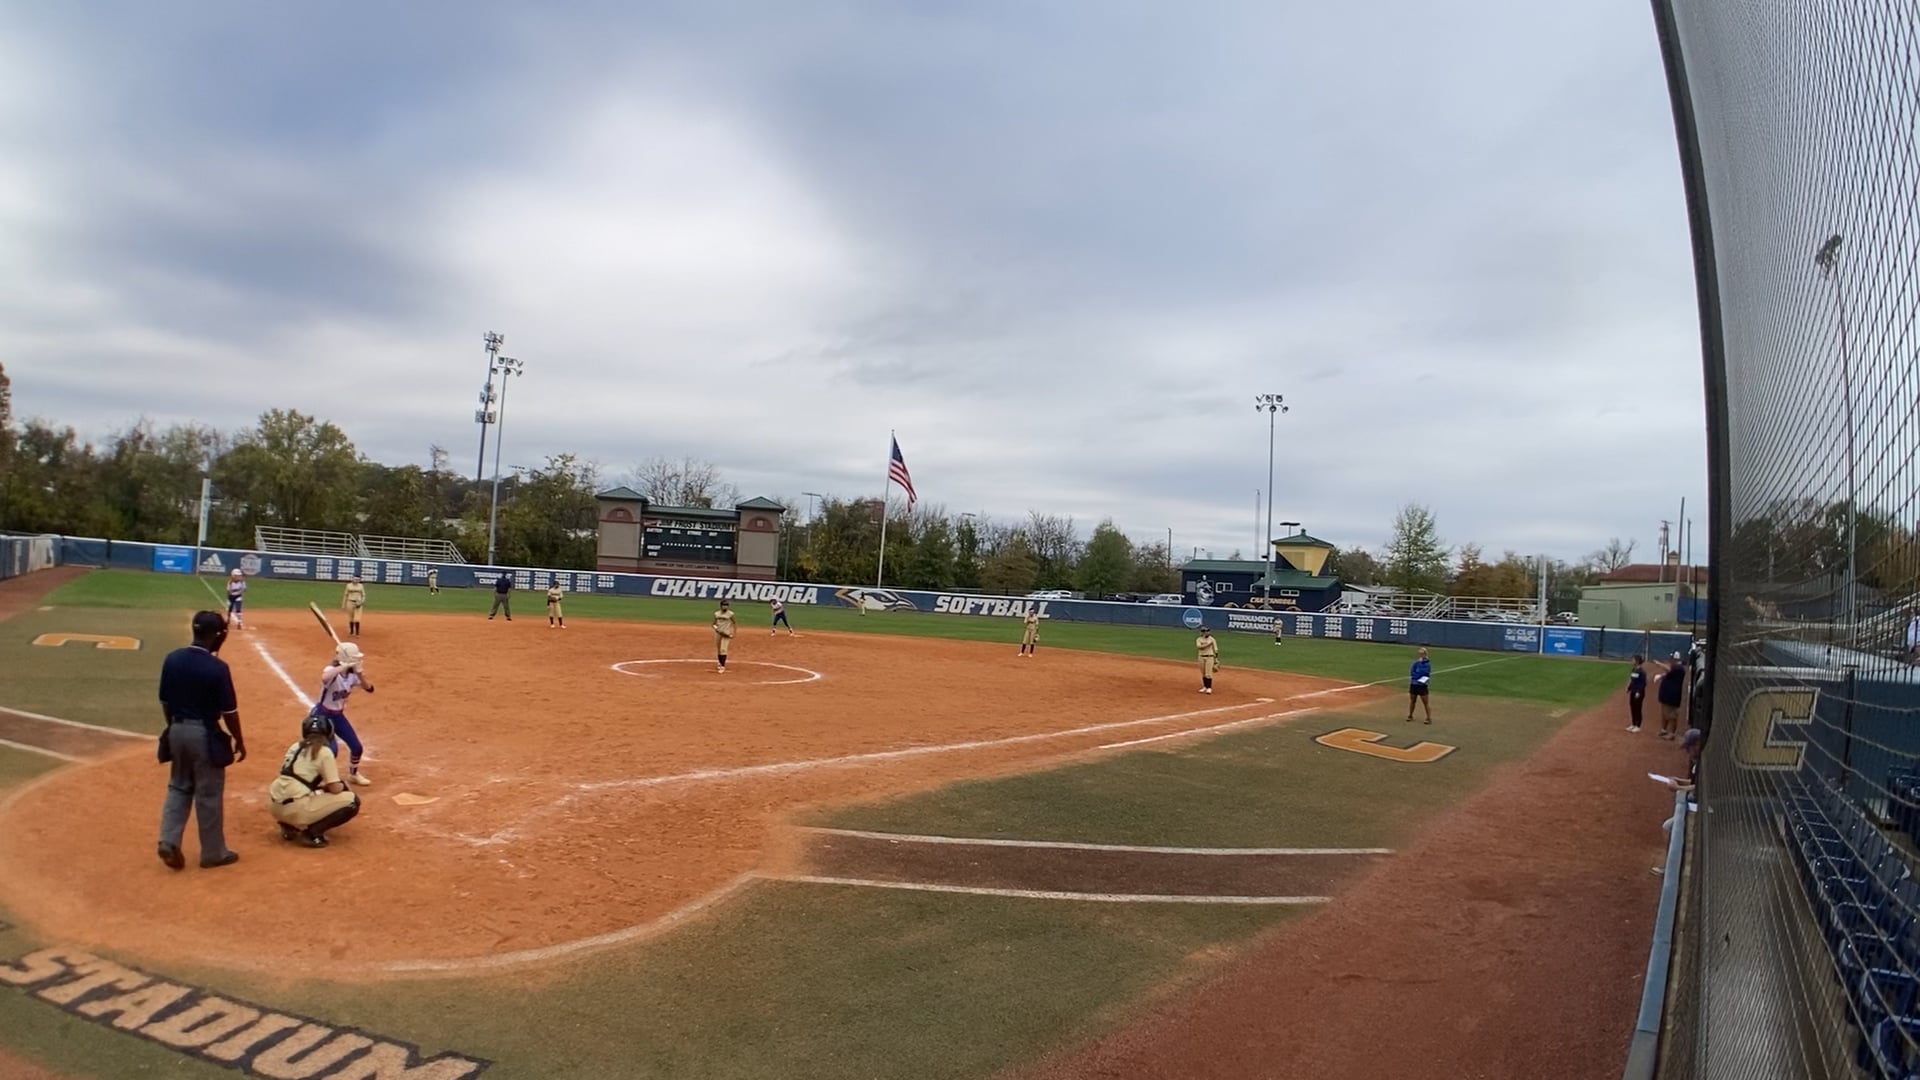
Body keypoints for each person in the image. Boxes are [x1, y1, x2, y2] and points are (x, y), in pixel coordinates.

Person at [156, 611, 247, 871]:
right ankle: (213, 853)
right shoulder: (217, 668)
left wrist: (174, 728)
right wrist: (238, 740)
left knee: (178, 786)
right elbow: (229, 712)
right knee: (208, 793)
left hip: (176, 728)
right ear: (218, 635)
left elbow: (165, 701)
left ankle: (168, 840)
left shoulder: (172, 659)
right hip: (203, 734)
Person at [269, 713, 362, 848]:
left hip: (275, 806)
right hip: (296, 809)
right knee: (352, 801)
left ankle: (288, 825)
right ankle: (312, 833)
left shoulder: (294, 747)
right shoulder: (324, 752)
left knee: (309, 791)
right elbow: (335, 789)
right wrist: (342, 786)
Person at [312, 642, 375, 786]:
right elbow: (325, 677)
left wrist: (360, 674)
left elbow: (369, 688)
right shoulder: (333, 671)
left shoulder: (352, 676)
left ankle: (353, 775)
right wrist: (343, 666)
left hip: (337, 716)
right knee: (331, 751)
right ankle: (316, 779)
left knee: (357, 747)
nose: (358, 660)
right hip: (322, 716)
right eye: (355, 658)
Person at [1656, 652, 1687, 739]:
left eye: (1672, 658)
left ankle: (1672, 734)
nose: (1670, 660)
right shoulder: (1675, 668)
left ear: (1675, 659)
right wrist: (1661, 676)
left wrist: (1659, 664)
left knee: (1671, 715)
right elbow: (1668, 673)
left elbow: (1668, 669)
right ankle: (1664, 730)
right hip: (1666, 695)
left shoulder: (1678, 668)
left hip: (1672, 696)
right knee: (1664, 713)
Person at [1407, 647, 1433, 723]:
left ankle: (1428, 718)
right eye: (1419, 654)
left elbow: (1425, 672)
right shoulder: (1415, 663)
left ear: (1425, 654)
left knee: (1425, 703)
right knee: (1412, 701)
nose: (1420, 655)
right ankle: (1410, 715)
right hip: (1414, 684)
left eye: (1422, 654)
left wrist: (1417, 676)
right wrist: (1416, 676)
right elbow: (1412, 671)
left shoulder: (1427, 664)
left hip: (1422, 685)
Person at [1626, 654, 1650, 733]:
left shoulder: (1642, 672)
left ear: (1637, 661)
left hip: (1638, 692)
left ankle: (1638, 726)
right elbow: (1632, 680)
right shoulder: (1633, 670)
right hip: (1633, 691)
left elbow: (1643, 683)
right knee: (1632, 707)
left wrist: (1638, 692)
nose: (1632, 661)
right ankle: (1633, 724)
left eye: (1633, 660)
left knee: (1638, 708)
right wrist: (1628, 688)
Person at [713, 599, 737, 673]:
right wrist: (716, 628)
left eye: (726, 605)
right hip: (718, 633)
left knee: (723, 649)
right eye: (723, 605)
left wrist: (733, 633)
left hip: (726, 634)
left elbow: (734, 623)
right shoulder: (716, 614)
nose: (725, 607)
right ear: (721, 606)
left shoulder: (730, 614)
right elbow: (714, 624)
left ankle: (722, 666)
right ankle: (720, 663)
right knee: (719, 649)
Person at [1196, 625, 1219, 694]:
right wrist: (1208, 645)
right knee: (1203, 673)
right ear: (1202, 632)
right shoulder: (1199, 639)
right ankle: (1205, 687)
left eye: (1208, 631)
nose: (1208, 633)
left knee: (1208, 673)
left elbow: (1216, 649)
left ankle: (1209, 688)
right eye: (1206, 631)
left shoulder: (1212, 639)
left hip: (1210, 657)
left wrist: (1216, 659)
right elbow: (1199, 647)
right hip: (1201, 657)